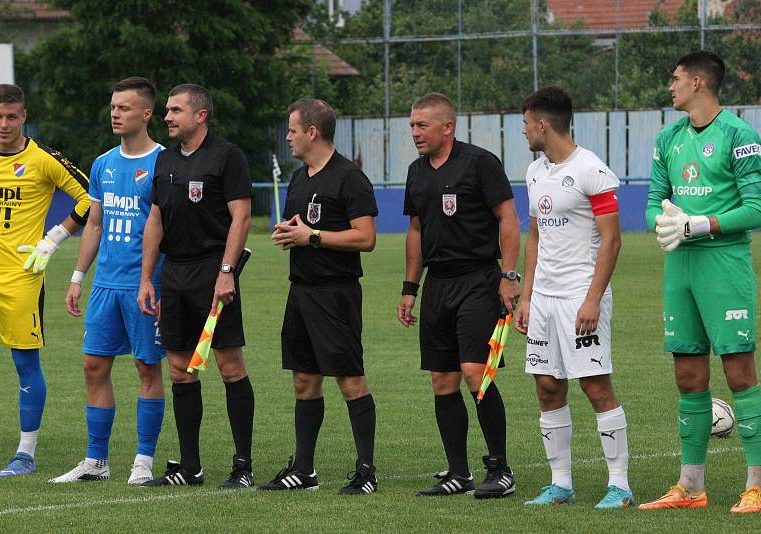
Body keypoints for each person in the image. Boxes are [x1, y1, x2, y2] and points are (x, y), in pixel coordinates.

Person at [640, 50, 761, 514]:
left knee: (739, 373)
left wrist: (701, 224)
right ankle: (690, 486)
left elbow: (758, 210)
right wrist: (667, 222)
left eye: (675, 79)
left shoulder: (739, 135)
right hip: (681, 269)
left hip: (724, 264)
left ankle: (756, 487)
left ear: (697, 82)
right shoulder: (668, 137)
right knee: (688, 375)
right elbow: (653, 201)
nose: (669, 86)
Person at [397, 92, 520, 498]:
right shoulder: (416, 172)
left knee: (475, 373)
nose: (415, 132)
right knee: (442, 379)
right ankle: (458, 472)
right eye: (412, 125)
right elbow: (415, 231)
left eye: (422, 125)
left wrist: (508, 275)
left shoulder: (480, 163)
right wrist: (410, 289)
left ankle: (500, 470)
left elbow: (508, 218)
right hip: (438, 285)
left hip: (478, 280)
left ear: (447, 126)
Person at [515, 86, 632, 509]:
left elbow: (612, 241)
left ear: (543, 124)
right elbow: (535, 238)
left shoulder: (591, 170)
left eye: (526, 123)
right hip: (543, 299)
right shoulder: (534, 172)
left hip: (581, 297)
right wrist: (527, 298)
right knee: (547, 386)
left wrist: (592, 300)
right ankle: (560, 483)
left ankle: (619, 486)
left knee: (595, 386)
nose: (524, 131)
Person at [49, 77, 165, 485]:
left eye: (125, 108)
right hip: (105, 287)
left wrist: (155, 281)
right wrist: (78, 277)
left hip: (146, 285)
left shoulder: (164, 163)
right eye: (113, 106)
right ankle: (96, 461)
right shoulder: (102, 163)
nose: (115, 113)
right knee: (93, 366)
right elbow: (94, 224)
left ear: (146, 113)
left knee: (146, 367)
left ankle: (144, 460)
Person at [137, 84, 254, 489]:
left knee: (228, 365)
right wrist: (147, 277)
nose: (167, 117)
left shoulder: (227, 156)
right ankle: (190, 468)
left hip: (212, 270)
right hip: (175, 275)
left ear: (200, 115)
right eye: (167, 111)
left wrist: (227, 271)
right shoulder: (164, 160)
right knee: (180, 370)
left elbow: (241, 218)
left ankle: (242, 467)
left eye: (175, 111)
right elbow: (155, 220)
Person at [260, 98, 378, 495]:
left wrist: (310, 236)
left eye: (292, 131)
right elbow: (305, 225)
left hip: (336, 293)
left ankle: (366, 472)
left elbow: (366, 237)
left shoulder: (349, 177)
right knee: (304, 380)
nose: (288, 138)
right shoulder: (299, 177)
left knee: (349, 380)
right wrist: (290, 229)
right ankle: (304, 469)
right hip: (301, 291)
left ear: (312, 132)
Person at [0, 84, 91, 476]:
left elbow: (88, 197)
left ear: (24, 116)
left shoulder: (43, 159)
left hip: (21, 278)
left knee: (24, 362)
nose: (4, 124)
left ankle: (25, 454)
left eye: (12, 116)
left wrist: (53, 239)